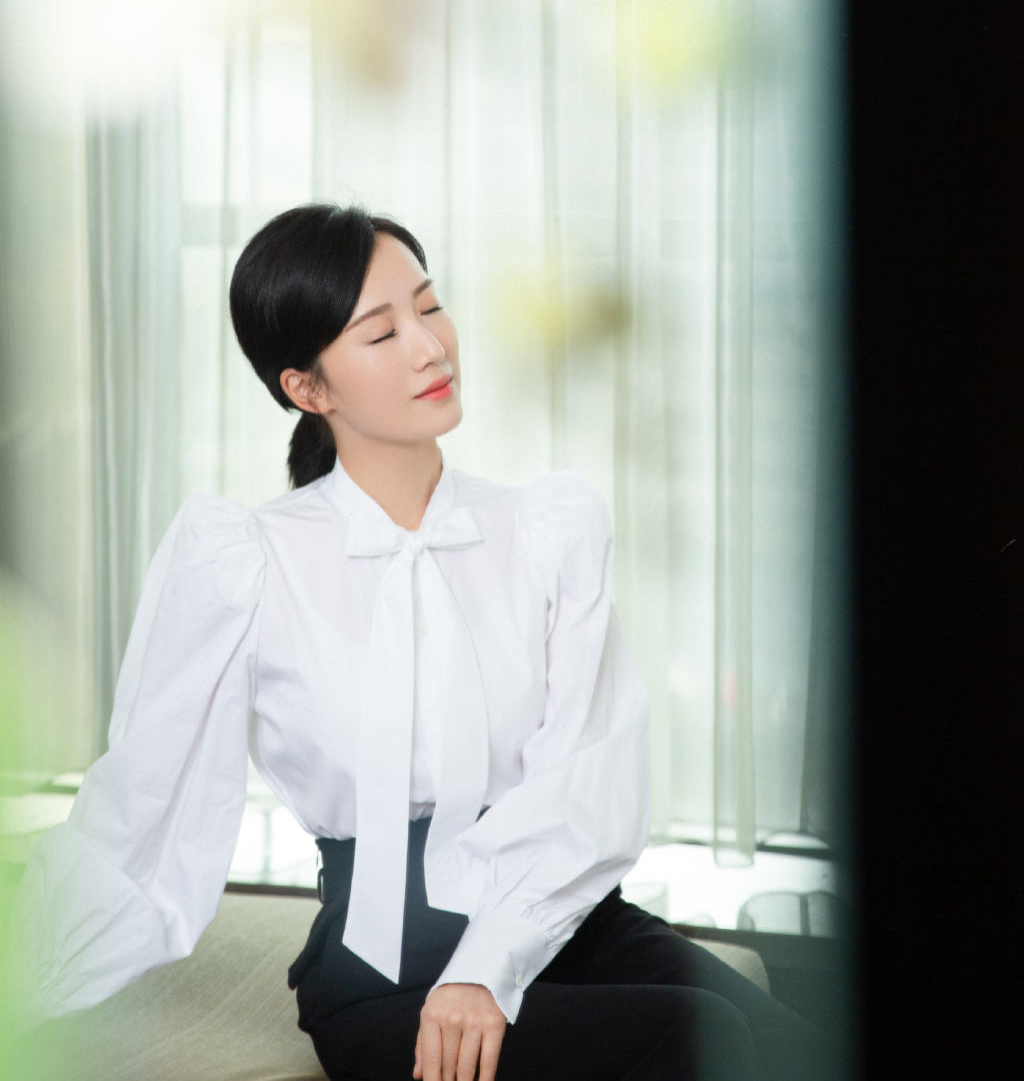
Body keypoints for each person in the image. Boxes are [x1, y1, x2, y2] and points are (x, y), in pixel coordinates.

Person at [7, 204, 830, 1081]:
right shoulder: (247, 562)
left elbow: (591, 778)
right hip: (383, 978)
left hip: (566, 927)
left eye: (430, 306)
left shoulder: (543, 533)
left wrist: (488, 964)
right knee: (691, 1034)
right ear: (308, 389)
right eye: (381, 331)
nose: (431, 346)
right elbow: (143, 805)